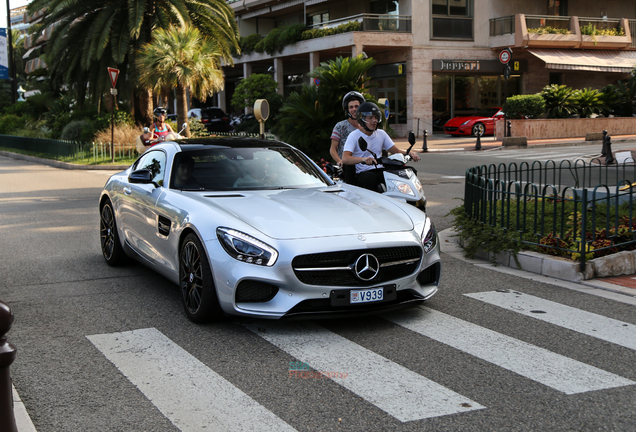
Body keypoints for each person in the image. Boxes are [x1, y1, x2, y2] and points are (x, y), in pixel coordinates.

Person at [342, 101, 420, 192]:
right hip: (363, 173)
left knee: (409, 172)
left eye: (376, 117)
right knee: (370, 178)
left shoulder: (381, 133)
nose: (374, 120)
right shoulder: (354, 135)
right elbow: (345, 158)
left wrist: (409, 153)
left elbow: (395, 150)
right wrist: (363, 159)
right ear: (362, 119)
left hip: (380, 169)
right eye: (370, 118)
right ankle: (373, 205)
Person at [330, 91, 365, 166]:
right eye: (351, 107)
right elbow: (332, 149)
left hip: (364, 165)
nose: (354, 109)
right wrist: (339, 161)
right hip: (347, 166)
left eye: (356, 106)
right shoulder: (340, 126)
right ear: (347, 109)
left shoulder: (366, 126)